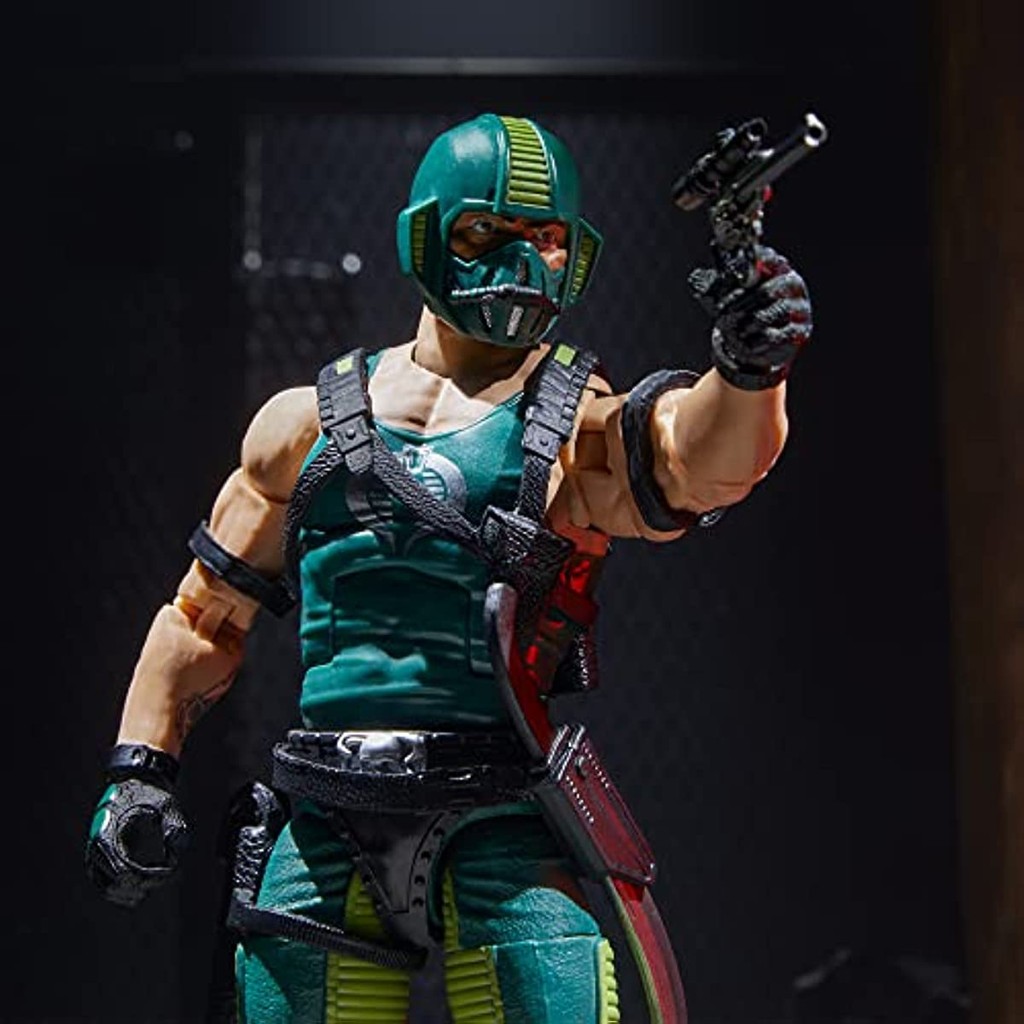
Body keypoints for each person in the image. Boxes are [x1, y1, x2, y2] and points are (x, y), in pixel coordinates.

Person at [86, 112, 812, 1024]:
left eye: (545, 238)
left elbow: (698, 461)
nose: (520, 261)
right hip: (330, 808)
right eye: (485, 232)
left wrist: (749, 367)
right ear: (426, 236)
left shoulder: (574, 425)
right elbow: (203, 618)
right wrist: (141, 769)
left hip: (498, 805)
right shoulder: (303, 425)